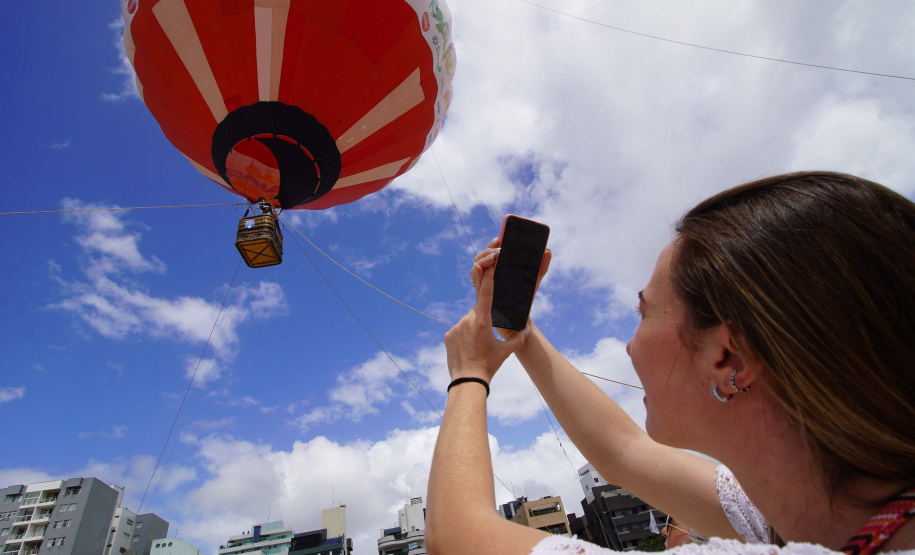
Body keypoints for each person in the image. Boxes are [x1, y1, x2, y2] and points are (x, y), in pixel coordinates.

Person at [425, 172, 915, 555]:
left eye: (644, 312)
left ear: (729, 356)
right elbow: (622, 451)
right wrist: (520, 334)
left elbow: (459, 541)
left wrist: (470, 373)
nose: (630, 346)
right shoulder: (821, 508)